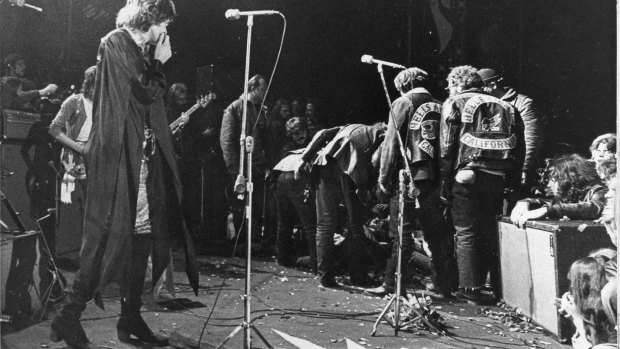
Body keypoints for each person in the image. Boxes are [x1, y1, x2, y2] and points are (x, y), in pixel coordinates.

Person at [50, 1, 199, 348]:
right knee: (105, 242)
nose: (165, 33)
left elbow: (144, 100)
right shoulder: (116, 41)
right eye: (165, 25)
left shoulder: (134, 50)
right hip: (118, 162)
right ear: (152, 18)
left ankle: (129, 317)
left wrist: (154, 61)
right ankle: (67, 317)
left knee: (142, 238)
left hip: (139, 162)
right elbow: (147, 89)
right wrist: (160, 61)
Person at [365, 67, 457, 298]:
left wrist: (383, 178)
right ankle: (442, 284)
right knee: (435, 233)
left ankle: (392, 286)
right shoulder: (441, 104)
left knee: (401, 233)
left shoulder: (403, 102)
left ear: (404, 85)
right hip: (434, 178)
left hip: (409, 177)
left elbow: (390, 145)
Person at [439, 65, 524, 304]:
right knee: (489, 231)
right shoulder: (507, 105)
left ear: (457, 83)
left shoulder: (455, 102)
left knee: (466, 230)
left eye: (450, 85)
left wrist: (444, 180)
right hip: (497, 176)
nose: (449, 89)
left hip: (467, 173)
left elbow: (446, 146)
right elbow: (520, 146)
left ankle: (469, 288)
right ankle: (496, 288)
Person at [296, 122, 385, 287]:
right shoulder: (383, 135)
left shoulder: (352, 126)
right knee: (355, 227)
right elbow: (375, 162)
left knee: (324, 224)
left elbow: (322, 133)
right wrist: (369, 189)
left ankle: (325, 277)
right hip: (349, 169)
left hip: (324, 164)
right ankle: (358, 276)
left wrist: (304, 158)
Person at [219, 74, 270, 244]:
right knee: (241, 204)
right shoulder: (235, 108)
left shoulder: (260, 109)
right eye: (262, 89)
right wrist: (234, 168)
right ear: (253, 88)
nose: (264, 93)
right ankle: (241, 241)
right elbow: (226, 140)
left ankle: (252, 239)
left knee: (256, 204)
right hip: (242, 166)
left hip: (257, 165)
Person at [477, 68, 543, 189]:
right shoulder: (484, 104)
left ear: (493, 85)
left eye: (481, 87)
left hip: (515, 169)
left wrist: (524, 168)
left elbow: (531, 138)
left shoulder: (523, 103)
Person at [510, 154, 607, 227]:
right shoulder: (567, 196)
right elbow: (547, 202)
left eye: (553, 180)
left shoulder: (598, 190)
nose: (548, 185)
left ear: (567, 179)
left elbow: (595, 207)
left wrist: (550, 210)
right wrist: (523, 203)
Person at [49, 65, 96, 206]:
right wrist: (80, 148)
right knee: (74, 203)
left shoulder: (105, 105)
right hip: (74, 158)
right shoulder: (74, 101)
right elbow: (54, 129)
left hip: (96, 157)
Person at [272, 117, 315, 271]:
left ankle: (282, 257)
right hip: (294, 180)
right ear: (290, 134)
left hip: (282, 179)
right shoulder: (288, 146)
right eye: (296, 133)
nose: (300, 135)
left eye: (302, 131)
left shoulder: (292, 145)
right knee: (309, 222)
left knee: (285, 221)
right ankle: (316, 261)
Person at [558, 257, 617, 348]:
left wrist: (576, 318)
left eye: (572, 282)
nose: (571, 288)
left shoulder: (605, 313)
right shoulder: (597, 307)